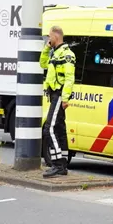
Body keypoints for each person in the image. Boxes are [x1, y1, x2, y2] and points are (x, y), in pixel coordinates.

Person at [40, 26, 76, 178]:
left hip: (59, 95)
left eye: (49, 37)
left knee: (49, 128)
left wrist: (65, 98)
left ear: (56, 36)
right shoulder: (55, 53)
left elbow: (69, 79)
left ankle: (57, 164)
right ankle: (63, 164)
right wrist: (47, 48)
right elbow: (42, 64)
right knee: (60, 129)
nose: (48, 39)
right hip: (55, 95)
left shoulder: (67, 55)